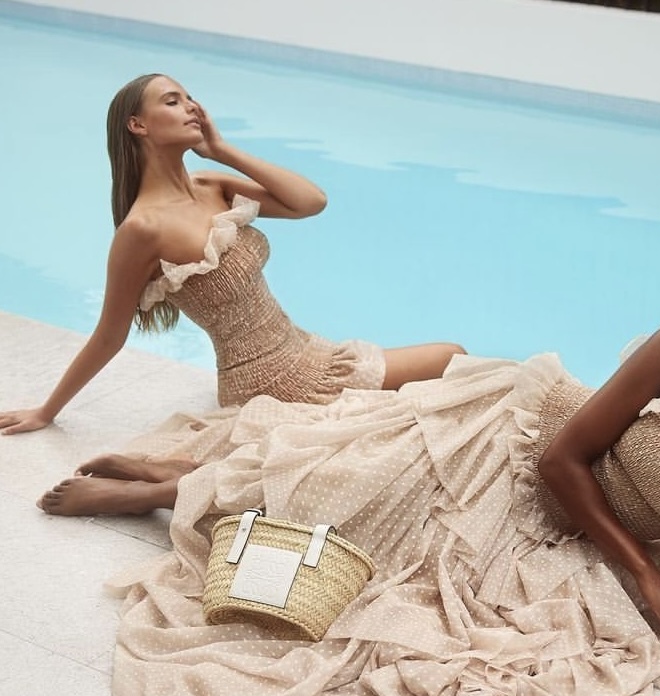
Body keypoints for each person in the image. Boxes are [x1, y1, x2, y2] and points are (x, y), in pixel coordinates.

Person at [40, 254, 660, 696]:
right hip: (516, 449)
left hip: (580, 536)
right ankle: (167, 487)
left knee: (362, 549)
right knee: (350, 483)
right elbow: (561, 459)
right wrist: (647, 577)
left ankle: (179, 483)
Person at [0, 74, 464, 436]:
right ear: (137, 125)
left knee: (449, 377)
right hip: (269, 381)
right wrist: (46, 411)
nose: (192, 107)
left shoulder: (211, 186)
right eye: (172, 101)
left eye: (190, 98)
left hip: (308, 349)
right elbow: (109, 334)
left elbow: (310, 202)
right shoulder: (141, 229)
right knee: (452, 360)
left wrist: (221, 151)